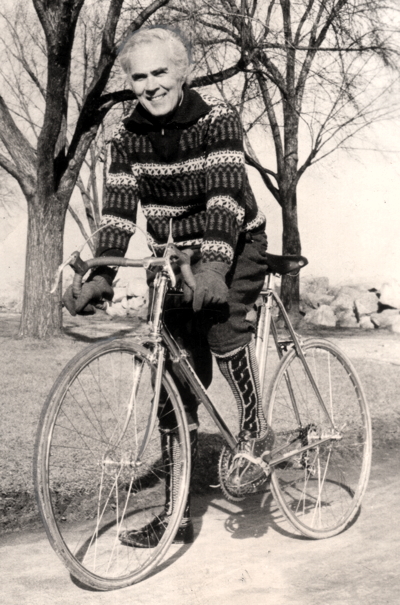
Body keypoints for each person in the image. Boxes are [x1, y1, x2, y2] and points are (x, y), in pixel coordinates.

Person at [63, 26, 274, 548]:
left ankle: (255, 426)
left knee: (224, 328)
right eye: (140, 76)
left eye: (161, 72)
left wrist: (214, 268)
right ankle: (175, 515)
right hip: (174, 255)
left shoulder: (217, 119)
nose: (151, 85)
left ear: (181, 72)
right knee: (171, 379)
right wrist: (101, 275)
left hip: (235, 241)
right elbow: (116, 212)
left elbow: (224, 201)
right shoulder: (126, 138)